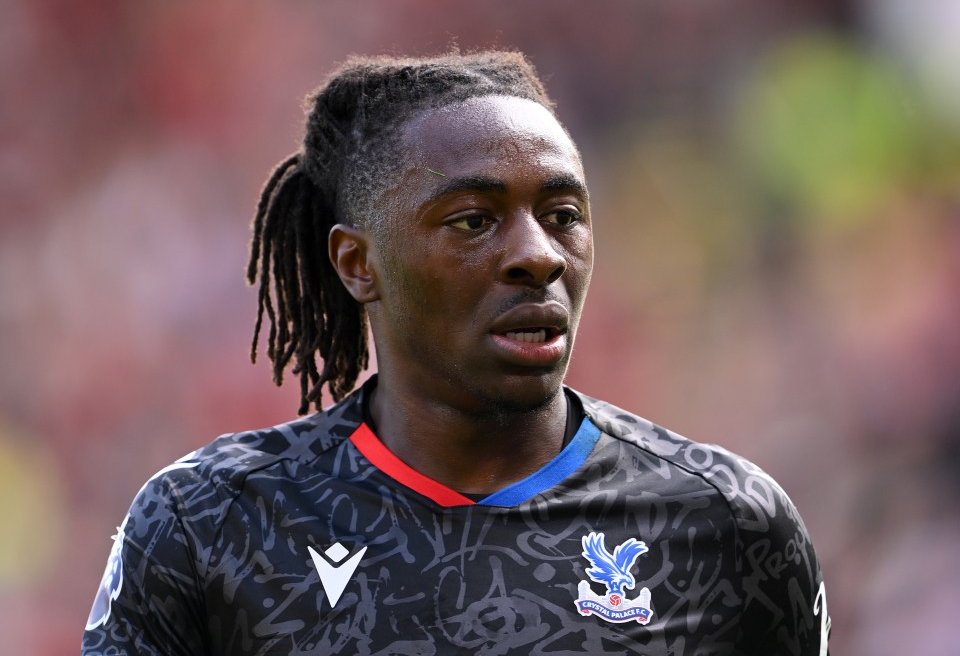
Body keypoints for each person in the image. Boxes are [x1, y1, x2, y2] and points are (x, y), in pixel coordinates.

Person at [82, 51, 831, 655]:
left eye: (562, 215)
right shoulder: (211, 525)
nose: (538, 256)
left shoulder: (729, 523)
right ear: (357, 263)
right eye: (474, 221)